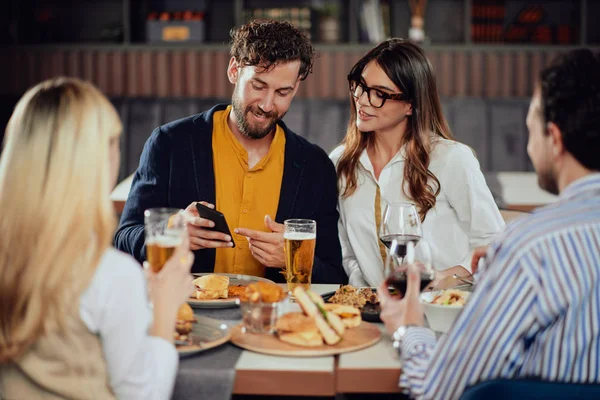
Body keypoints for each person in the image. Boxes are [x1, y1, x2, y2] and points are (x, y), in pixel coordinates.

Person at [379, 48, 600, 399]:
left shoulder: (530, 248)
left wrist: (410, 329)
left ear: (554, 140)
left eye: (530, 128)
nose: (529, 146)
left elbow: (439, 390)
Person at [0, 78, 194, 399]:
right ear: (98, 159)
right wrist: (164, 309)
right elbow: (144, 395)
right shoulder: (109, 273)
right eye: (114, 143)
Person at [115, 20, 346, 284]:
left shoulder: (315, 167)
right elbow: (124, 239)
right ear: (234, 70)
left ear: (296, 87)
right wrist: (171, 234)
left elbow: (334, 274)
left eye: (283, 92)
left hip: (275, 319)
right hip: (184, 313)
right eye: (258, 86)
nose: (268, 105)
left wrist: (293, 258)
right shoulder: (169, 144)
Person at [329, 38, 504, 287]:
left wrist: (445, 277)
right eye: (360, 86)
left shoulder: (452, 159)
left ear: (410, 105)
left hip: (445, 312)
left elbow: (495, 245)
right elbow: (346, 252)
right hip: (375, 313)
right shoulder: (340, 163)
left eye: (380, 94)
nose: (363, 99)